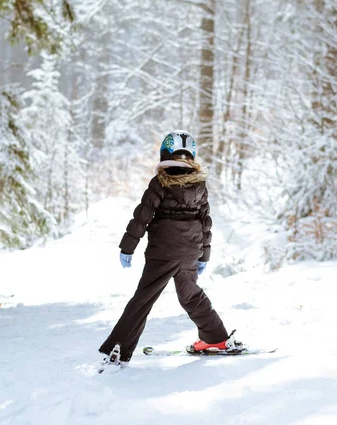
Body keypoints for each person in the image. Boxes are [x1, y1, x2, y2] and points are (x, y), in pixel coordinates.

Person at [98, 130, 237, 369]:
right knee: (191, 296)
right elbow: (205, 222)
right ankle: (216, 339)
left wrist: (128, 247)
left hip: (163, 252)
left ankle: (118, 348)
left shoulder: (160, 181)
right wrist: (204, 255)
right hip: (190, 252)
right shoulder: (200, 184)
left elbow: (142, 216)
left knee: (143, 299)